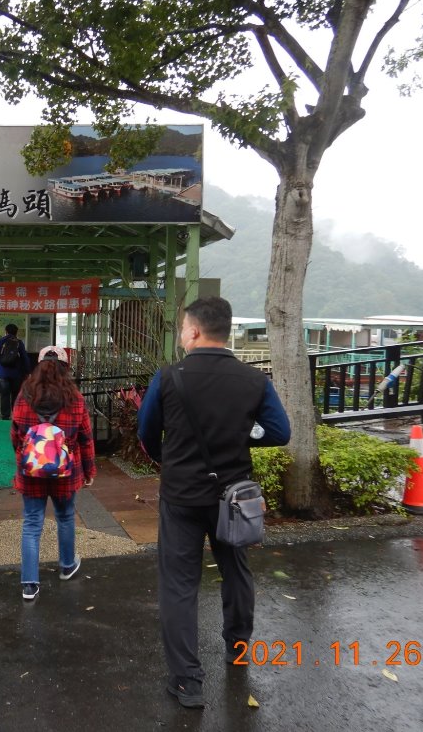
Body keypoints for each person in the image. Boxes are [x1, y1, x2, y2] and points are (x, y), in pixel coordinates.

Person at [137, 297, 291, 710]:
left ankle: (188, 682)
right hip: (234, 496)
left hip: (181, 496)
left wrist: (166, 457)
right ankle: (237, 649)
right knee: (236, 570)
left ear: (193, 331)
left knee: (178, 584)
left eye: (182, 329)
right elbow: (279, 432)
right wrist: (243, 437)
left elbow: (147, 431)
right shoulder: (254, 380)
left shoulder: (169, 377)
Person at [10, 346, 96, 601]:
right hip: (66, 472)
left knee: (32, 523)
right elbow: (86, 438)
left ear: (37, 366)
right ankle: (67, 566)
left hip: (31, 472)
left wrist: (26, 457)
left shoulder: (24, 395)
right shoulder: (75, 398)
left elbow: (16, 434)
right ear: (66, 367)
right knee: (66, 517)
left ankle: (29, 584)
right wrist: (89, 470)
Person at [0, 323, 31, 420]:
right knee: (15, 395)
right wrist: (27, 371)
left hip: (3, 372)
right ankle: (15, 415)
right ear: (16, 332)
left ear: (6, 331)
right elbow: (25, 358)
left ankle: (5, 416)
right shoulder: (19, 342)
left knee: (4, 395)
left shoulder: (1, 341)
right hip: (16, 373)